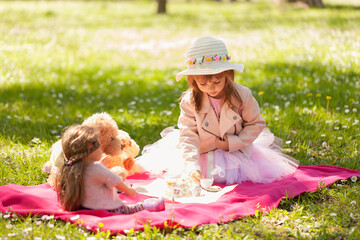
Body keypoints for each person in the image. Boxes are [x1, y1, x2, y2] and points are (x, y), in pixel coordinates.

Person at [137, 36, 298, 186]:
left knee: (227, 176)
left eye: (217, 81)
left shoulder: (242, 95)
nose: (211, 88)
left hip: (235, 151)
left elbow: (256, 123)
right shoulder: (190, 101)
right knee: (193, 175)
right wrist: (192, 166)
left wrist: (233, 142)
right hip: (202, 150)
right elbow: (188, 134)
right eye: (203, 83)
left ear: (228, 75)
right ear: (193, 81)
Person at [55, 124, 165, 213]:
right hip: (106, 207)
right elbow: (115, 181)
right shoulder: (96, 168)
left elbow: (91, 176)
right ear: (90, 150)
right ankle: (147, 206)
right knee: (129, 208)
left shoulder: (74, 168)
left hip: (87, 206)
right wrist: (128, 190)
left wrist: (101, 166)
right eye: (98, 145)